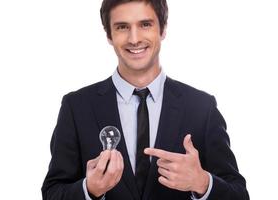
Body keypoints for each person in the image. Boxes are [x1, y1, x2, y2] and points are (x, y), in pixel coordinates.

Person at [42, 0, 250, 199]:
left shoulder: (201, 107)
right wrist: (89, 190)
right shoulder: (77, 107)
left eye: (145, 24)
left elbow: (239, 194)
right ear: (109, 35)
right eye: (122, 27)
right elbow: (52, 192)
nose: (134, 39)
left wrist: (202, 183)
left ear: (163, 29)